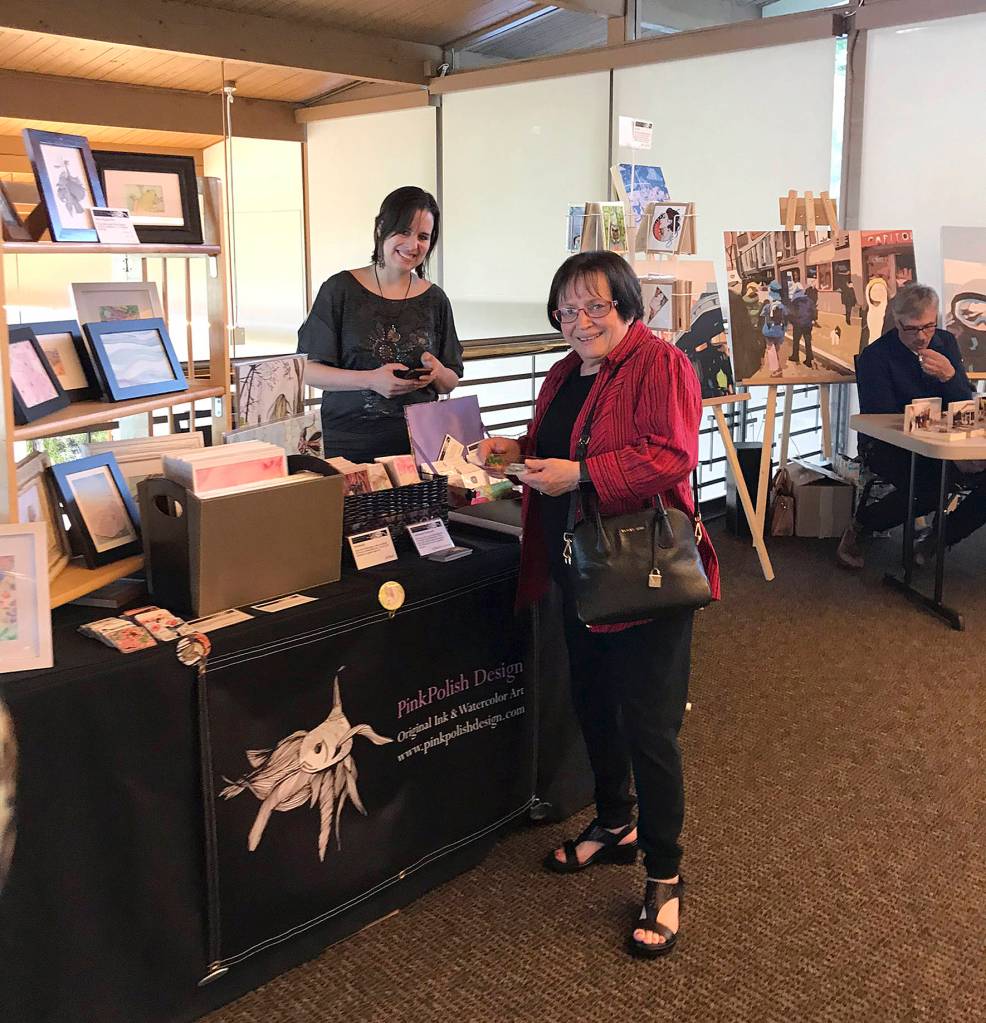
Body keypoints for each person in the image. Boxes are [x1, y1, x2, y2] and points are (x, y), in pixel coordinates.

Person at [478, 251, 720, 959]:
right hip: (576, 567)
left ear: (625, 305)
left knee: (650, 726)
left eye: (595, 306)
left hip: (645, 574)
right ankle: (616, 821)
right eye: (566, 309)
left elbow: (670, 453)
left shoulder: (662, 365)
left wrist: (583, 474)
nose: (579, 320)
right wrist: (511, 450)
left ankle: (666, 875)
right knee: (592, 703)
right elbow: (556, 445)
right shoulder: (564, 371)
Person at [297, 186, 463, 462]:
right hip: (347, 446)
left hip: (418, 449)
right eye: (404, 232)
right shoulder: (340, 289)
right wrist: (371, 381)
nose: (413, 245)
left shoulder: (435, 299)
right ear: (380, 229)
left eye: (424, 236)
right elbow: (307, 371)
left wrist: (437, 372)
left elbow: (450, 381)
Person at [837, 283, 986, 569]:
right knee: (933, 485)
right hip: (888, 443)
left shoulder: (945, 342)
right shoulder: (876, 356)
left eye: (929, 326)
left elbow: (960, 403)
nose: (922, 337)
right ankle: (861, 525)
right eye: (912, 329)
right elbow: (882, 417)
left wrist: (950, 376)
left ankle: (939, 538)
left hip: (943, 439)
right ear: (896, 321)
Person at [759, 280, 787, 377]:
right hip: (779, 331)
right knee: (777, 349)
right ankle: (778, 366)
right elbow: (786, 316)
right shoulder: (782, 306)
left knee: (771, 350)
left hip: (769, 331)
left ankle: (776, 370)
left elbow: (762, 315)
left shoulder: (768, 306)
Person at [787, 284, 816, 368]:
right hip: (808, 324)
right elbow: (814, 312)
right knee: (808, 342)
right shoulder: (810, 300)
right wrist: (812, 319)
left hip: (798, 324)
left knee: (796, 341)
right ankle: (809, 359)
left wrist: (792, 322)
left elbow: (790, 314)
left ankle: (795, 356)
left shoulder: (795, 302)